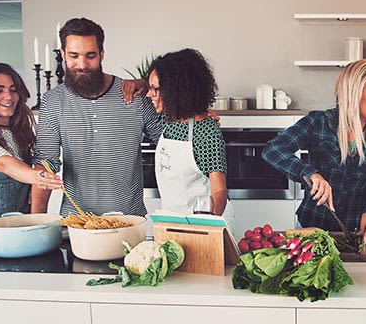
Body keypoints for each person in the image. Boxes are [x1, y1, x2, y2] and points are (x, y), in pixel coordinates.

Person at [31, 18, 162, 216]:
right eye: (74, 55)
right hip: (75, 222)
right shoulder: (53, 101)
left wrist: (197, 117)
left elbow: (169, 141)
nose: (82, 64)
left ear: (102, 54)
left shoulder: (134, 95)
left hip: (129, 221)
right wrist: (36, 223)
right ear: (63, 54)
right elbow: (45, 165)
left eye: (90, 55)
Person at [262, 59, 366, 242]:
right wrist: (311, 174)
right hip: (312, 229)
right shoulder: (318, 122)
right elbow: (273, 149)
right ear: (354, 94)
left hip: (357, 234)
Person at [144, 48, 234, 229]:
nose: (149, 94)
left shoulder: (206, 131)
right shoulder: (168, 120)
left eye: (155, 89)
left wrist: (203, 226)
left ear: (175, 90)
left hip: (204, 226)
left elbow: (219, 191)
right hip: (172, 223)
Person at [0, 63, 61, 223]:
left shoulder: (19, 133)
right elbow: (3, 164)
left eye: (13, 90)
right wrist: (38, 177)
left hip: (18, 227)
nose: (8, 96)